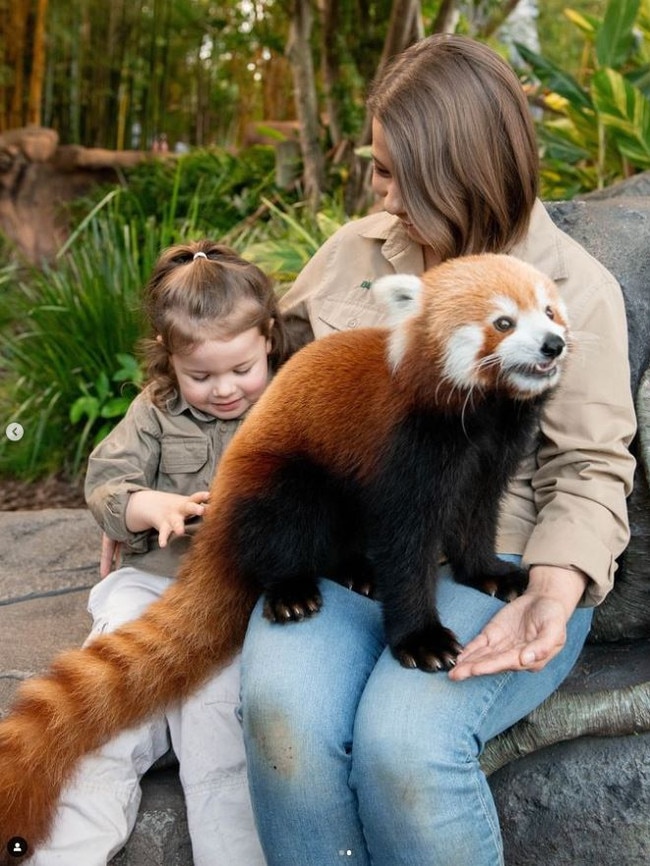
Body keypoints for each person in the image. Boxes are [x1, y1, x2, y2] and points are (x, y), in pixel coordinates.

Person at [239, 34, 637, 866]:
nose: (376, 192)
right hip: (352, 551)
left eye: (391, 172)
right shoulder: (356, 254)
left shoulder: (574, 291)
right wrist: (138, 481)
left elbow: (591, 469)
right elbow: (248, 367)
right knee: (282, 714)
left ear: (459, 171)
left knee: (404, 742)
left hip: (494, 563)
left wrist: (555, 587)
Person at [28, 240, 294, 866]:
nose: (224, 390)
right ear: (168, 359)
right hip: (149, 585)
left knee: (219, 723)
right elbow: (106, 482)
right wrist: (152, 507)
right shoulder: (154, 411)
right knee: (105, 715)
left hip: (228, 601)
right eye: (200, 376)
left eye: (241, 370)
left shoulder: (287, 403)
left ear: (270, 339)